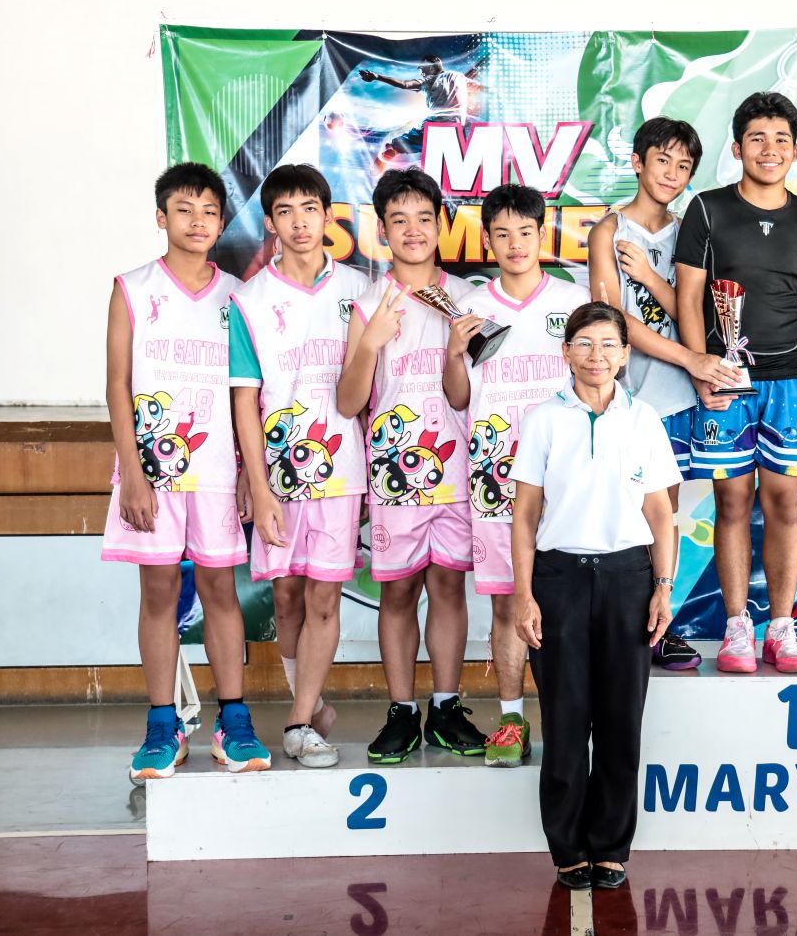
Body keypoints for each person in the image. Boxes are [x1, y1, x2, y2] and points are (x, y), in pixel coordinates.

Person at [102, 162, 270, 783]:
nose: (197, 222)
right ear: (161, 217)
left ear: (221, 222)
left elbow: (247, 395)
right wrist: (132, 471)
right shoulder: (132, 288)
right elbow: (118, 386)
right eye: (184, 210)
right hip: (153, 470)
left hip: (219, 471)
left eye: (208, 212)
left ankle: (234, 722)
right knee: (158, 594)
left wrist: (250, 473)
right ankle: (161, 725)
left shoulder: (239, 296)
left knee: (222, 592)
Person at [511, 301, 679, 891]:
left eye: (608, 345)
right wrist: (524, 594)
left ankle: (610, 845)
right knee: (564, 719)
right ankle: (567, 848)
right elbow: (525, 515)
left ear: (625, 354)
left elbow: (661, 515)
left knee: (619, 721)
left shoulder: (644, 420)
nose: (596, 356)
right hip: (558, 580)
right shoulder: (543, 420)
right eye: (584, 344)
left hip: (628, 579)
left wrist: (662, 587)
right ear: (566, 351)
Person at [337, 167, 487, 763]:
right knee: (397, 593)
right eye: (399, 220)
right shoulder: (368, 303)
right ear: (382, 230)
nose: (413, 230)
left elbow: (466, 397)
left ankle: (446, 707)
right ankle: (401, 711)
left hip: (455, 470)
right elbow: (348, 402)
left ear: (442, 226)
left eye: (425, 218)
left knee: (448, 587)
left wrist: (455, 348)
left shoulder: (467, 300)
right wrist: (371, 342)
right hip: (394, 474)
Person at [676, 92, 797, 674]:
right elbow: (690, 294)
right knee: (732, 501)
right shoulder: (708, 209)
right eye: (757, 139)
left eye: (781, 139)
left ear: (795, 150)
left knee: (785, 504)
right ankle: (738, 626)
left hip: (790, 382)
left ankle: (782, 629)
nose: (770, 149)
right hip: (725, 381)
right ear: (737, 148)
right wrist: (701, 366)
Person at [443, 183, 588, 766]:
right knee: (508, 603)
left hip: (565, 476)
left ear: (542, 232)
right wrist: (453, 352)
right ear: (486, 240)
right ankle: (510, 720)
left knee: (568, 603)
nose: (514, 243)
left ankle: (568, 719)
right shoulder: (471, 309)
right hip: (496, 475)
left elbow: (600, 387)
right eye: (501, 233)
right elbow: (458, 398)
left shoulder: (573, 302)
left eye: (525, 231)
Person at [229, 163, 370, 765]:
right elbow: (244, 400)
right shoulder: (248, 300)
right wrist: (258, 486)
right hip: (279, 477)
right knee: (286, 598)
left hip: (343, 473)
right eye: (285, 212)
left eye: (309, 208)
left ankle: (297, 723)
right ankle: (308, 705)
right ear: (270, 223)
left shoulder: (361, 290)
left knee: (323, 600)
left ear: (327, 215)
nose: (299, 222)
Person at [586, 116, 735, 671]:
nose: (671, 174)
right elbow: (611, 321)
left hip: (678, 396)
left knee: (663, 514)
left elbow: (695, 311)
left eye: (683, 166)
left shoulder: (689, 228)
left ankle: (658, 625)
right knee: (623, 512)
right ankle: (625, 626)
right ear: (637, 162)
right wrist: (690, 358)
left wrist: (651, 278)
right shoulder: (609, 231)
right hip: (629, 396)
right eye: (662, 161)